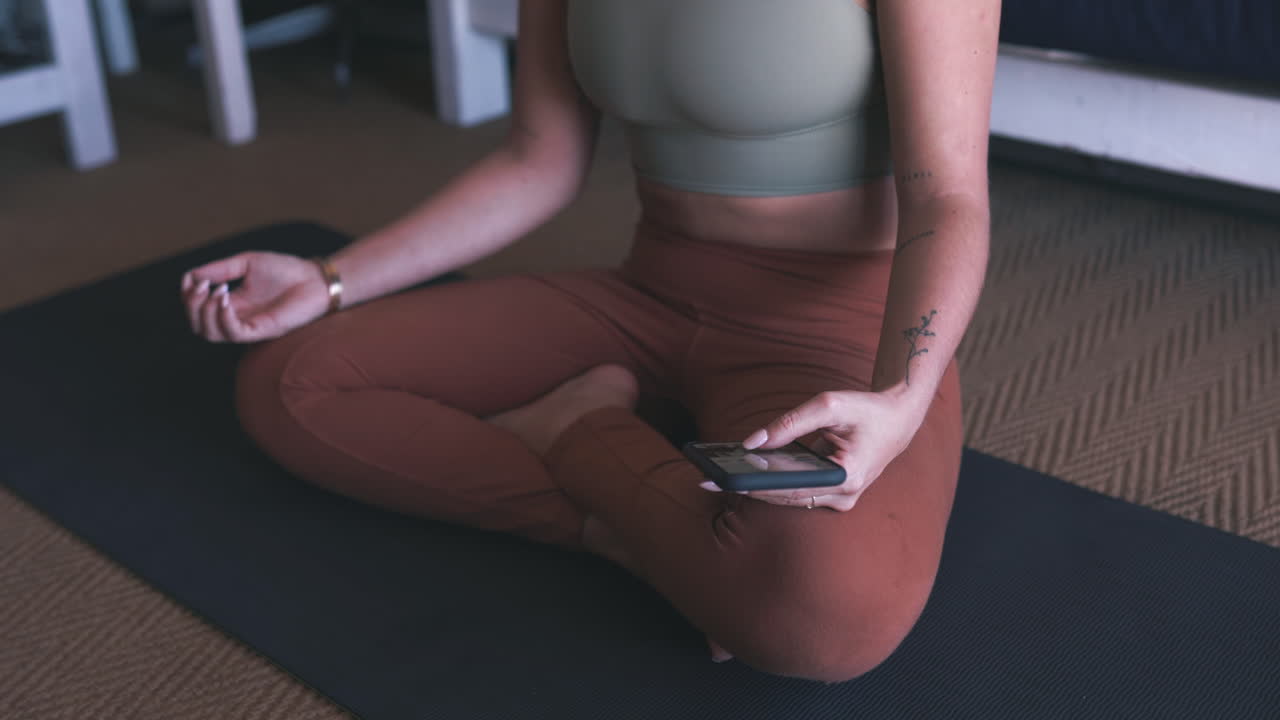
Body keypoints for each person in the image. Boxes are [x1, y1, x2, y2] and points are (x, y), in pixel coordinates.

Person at [180, 0, 1000, 683]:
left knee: (824, 618)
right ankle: (621, 506)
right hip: (648, 294)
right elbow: (540, 159)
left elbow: (949, 197)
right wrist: (326, 278)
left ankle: (573, 432)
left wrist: (904, 395)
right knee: (294, 381)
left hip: (836, 324)